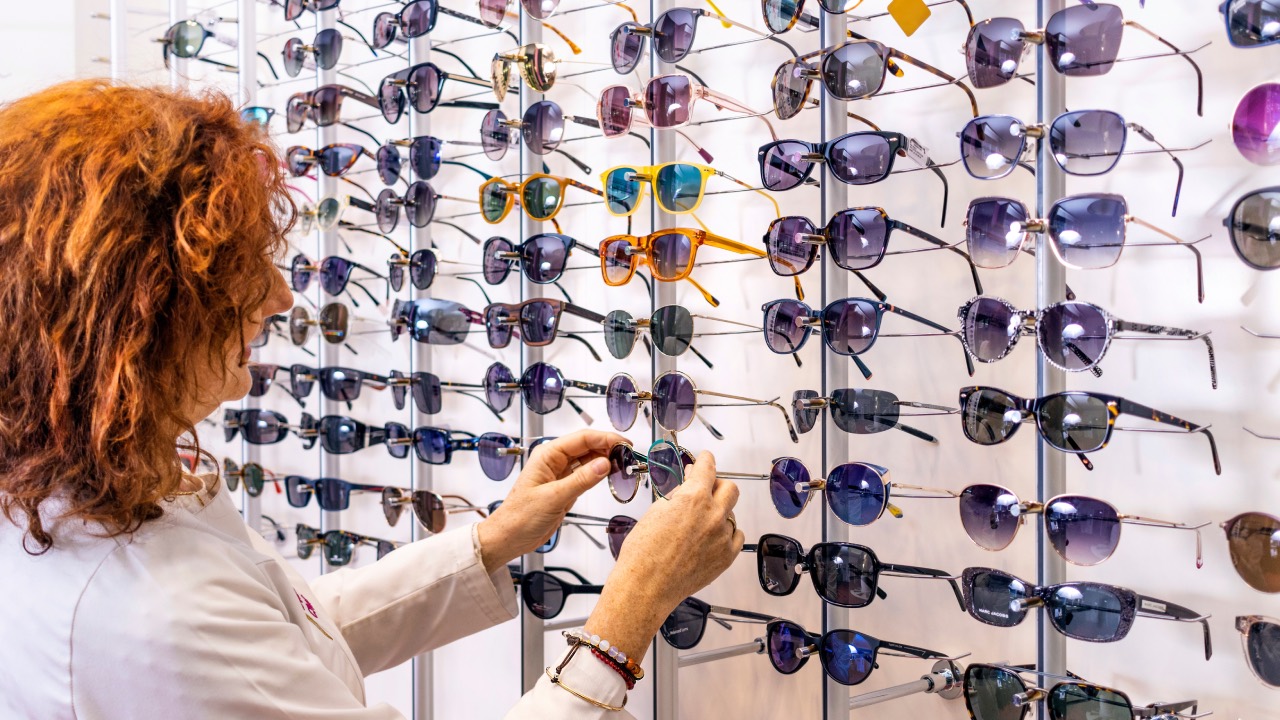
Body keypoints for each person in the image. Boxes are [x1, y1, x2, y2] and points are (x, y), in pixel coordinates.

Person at [0, 80, 744, 719]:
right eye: (243, 266)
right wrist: (628, 613)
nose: (280, 295)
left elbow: (288, 637)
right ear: (142, 313)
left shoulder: (58, 499)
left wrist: (492, 541)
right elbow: (225, 647)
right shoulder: (154, 615)